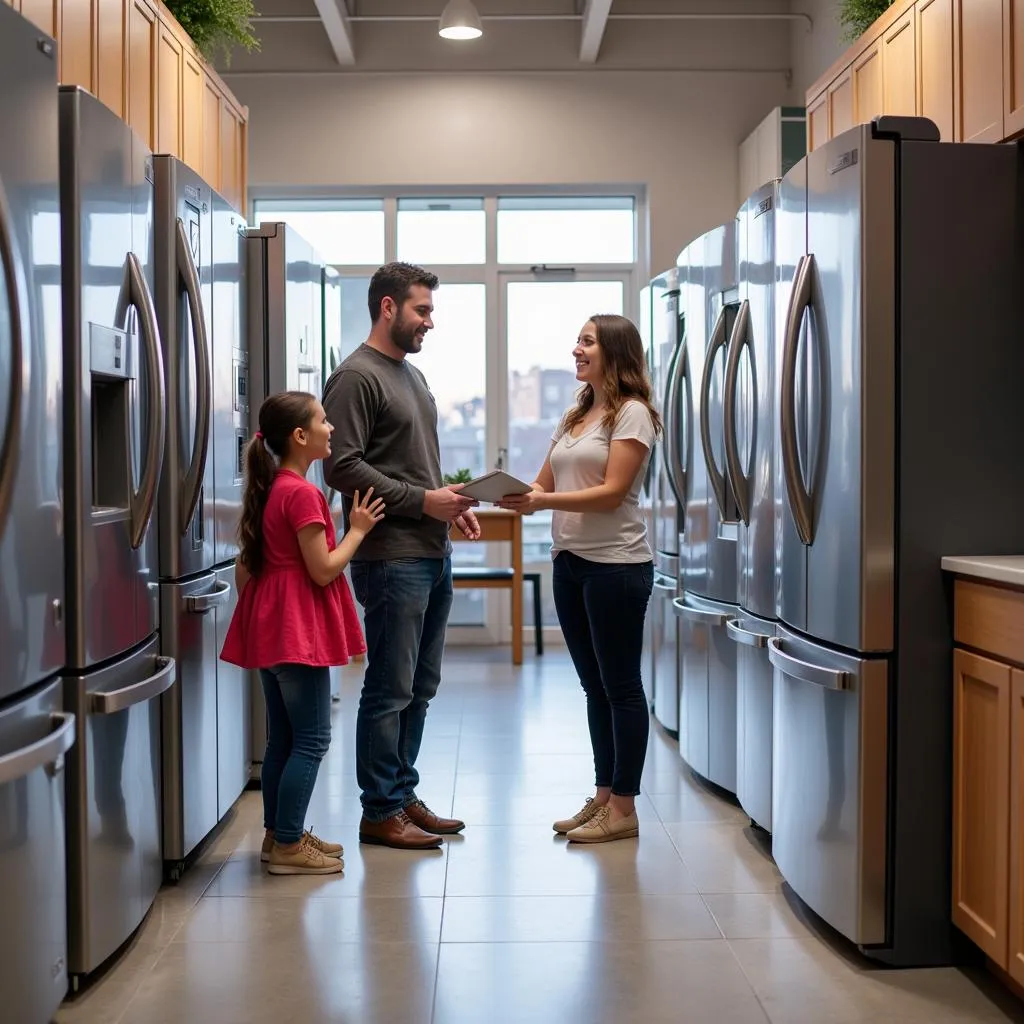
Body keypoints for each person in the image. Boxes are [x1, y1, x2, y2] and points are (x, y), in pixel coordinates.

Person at [323, 262, 481, 851]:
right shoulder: (355, 377)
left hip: (429, 551)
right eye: (422, 310)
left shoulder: (411, 377)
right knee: (390, 687)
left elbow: (417, 463)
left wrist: (450, 504)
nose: (429, 322)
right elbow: (341, 465)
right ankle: (380, 809)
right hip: (389, 558)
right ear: (387, 307)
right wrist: (422, 500)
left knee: (421, 682)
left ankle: (402, 793)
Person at [498, 314, 659, 844]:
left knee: (621, 687)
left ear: (613, 352)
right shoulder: (576, 414)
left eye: (587, 342)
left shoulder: (632, 414)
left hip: (617, 566)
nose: (577, 350)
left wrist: (542, 500)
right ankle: (603, 797)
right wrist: (508, 493)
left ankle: (625, 809)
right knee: (594, 687)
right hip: (570, 563)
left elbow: (612, 492)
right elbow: (541, 484)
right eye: (578, 341)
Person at [220, 390, 384, 875]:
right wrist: (357, 529)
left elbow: (245, 573)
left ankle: (278, 835)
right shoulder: (303, 493)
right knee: (311, 739)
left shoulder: (272, 489)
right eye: (323, 421)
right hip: (297, 633)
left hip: (272, 631)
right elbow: (323, 569)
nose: (331, 428)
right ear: (300, 436)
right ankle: (289, 847)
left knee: (283, 740)